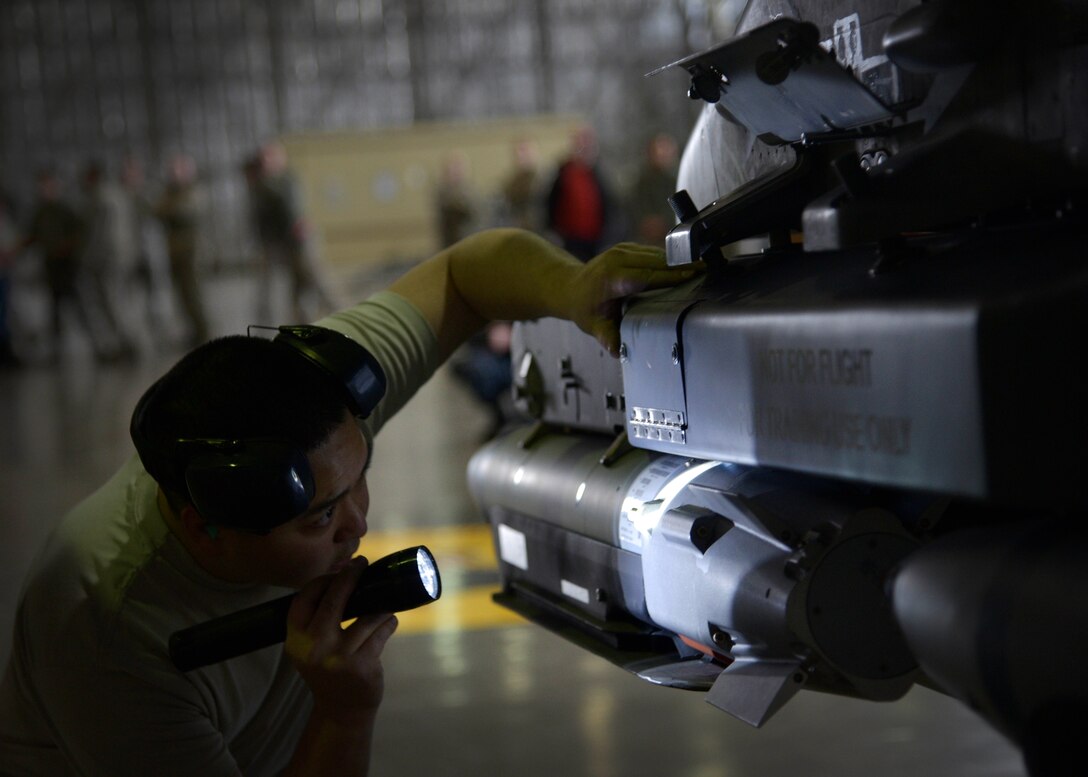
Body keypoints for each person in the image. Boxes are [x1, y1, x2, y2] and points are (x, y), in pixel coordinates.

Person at [0, 227, 700, 776]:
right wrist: (343, 715)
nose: (360, 522)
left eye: (358, 478)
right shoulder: (107, 633)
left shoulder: (318, 405)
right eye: (322, 516)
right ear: (205, 530)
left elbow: (465, 272)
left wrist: (570, 284)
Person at [251, 141, 336, 323]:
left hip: (298, 240)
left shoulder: (285, 180)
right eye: (264, 158)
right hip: (278, 243)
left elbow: (292, 208)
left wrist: (300, 227)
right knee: (292, 285)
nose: (266, 161)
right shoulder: (263, 184)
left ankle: (341, 315)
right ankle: (299, 322)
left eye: (271, 156)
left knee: (315, 280)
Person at [155, 154, 211, 347]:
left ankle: (204, 331)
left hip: (192, 252)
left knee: (194, 294)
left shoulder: (194, 191)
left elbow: (182, 212)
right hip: (176, 251)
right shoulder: (171, 193)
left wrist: (169, 207)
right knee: (182, 295)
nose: (173, 174)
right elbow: (159, 211)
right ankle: (194, 331)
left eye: (178, 170)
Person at [545, 125, 613, 262]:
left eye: (587, 143)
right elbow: (550, 203)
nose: (584, 147)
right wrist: (554, 232)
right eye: (580, 143)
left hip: (595, 242)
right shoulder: (563, 173)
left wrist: (608, 236)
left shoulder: (599, 174)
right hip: (569, 242)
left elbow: (609, 206)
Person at [627, 133, 679, 247]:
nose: (661, 154)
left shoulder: (677, 182)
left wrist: (664, 223)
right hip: (646, 240)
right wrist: (647, 223)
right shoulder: (641, 182)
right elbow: (635, 207)